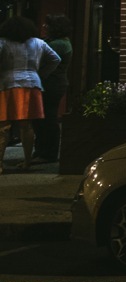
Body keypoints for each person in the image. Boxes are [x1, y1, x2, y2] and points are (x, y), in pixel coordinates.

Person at [0, 16, 60, 172]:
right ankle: (27, 161)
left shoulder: (3, 42)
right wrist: (41, 73)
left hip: (7, 84)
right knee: (26, 126)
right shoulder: (38, 43)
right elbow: (55, 59)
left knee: (4, 126)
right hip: (32, 84)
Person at [31, 14, 73, 164]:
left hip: (52, 84)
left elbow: (38, 55)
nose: (44, 27)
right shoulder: (58, 42)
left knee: (47, 118)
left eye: (48, 25)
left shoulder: (59, 44)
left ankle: (48, 153)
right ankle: (42, 150)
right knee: (43, 118)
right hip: (52, 83)